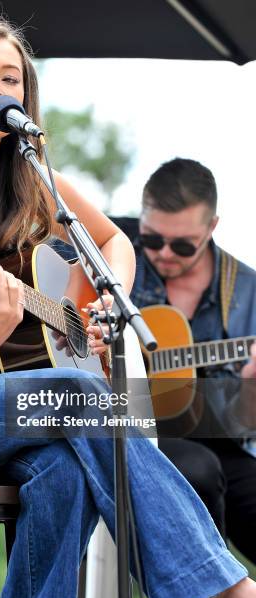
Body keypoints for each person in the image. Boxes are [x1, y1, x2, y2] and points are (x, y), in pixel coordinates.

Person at [0, 18, 256, 598]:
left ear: (25, 97)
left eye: (8, 78)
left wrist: (103, 300)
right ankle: (224, 590)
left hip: (12, 397)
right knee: (82, 392)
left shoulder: (31, 181)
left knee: (64, 475)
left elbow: (114, 244)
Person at [108, 158, 256, 564]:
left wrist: (252, 384)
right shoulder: (111, 246)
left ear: (211, 228)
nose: (165, 254)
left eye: (184, 245)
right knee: (198, 471)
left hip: (212, 435)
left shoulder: (246, 294)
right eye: (154, 240)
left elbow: (244, 423)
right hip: (122, 426)